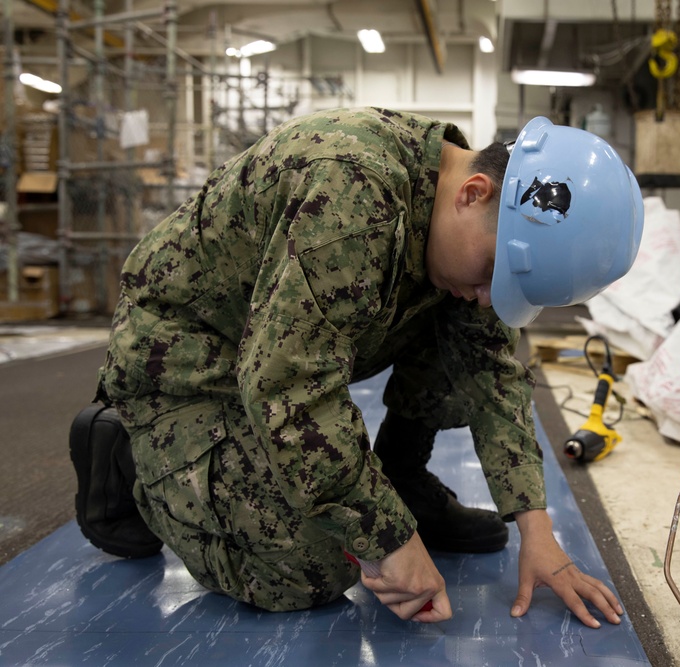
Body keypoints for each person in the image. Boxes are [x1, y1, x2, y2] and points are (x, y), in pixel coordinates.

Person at [72, 107, 643, 627]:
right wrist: (389, 539)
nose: (490, 295)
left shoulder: (466, 214)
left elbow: (491, 370)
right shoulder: (351, 195)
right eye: (493, 270)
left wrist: (536, 530)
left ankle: (402, 478)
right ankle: (132, 455)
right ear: (474, 192)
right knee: (310, 568)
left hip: (270, 349)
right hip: (188, 361)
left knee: (466, 330)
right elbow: (291, 388)